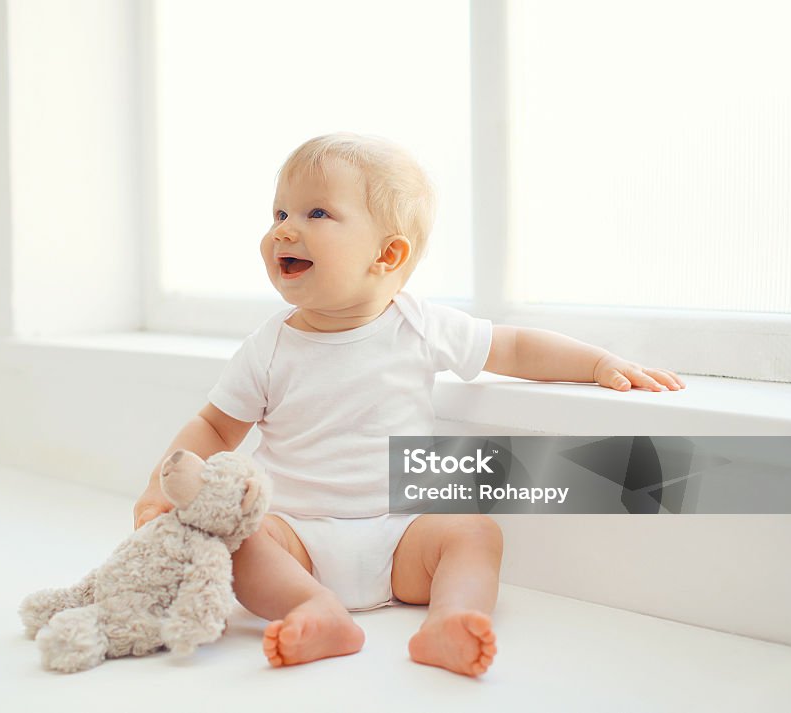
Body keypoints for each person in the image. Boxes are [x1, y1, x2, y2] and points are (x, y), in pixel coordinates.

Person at [133, 133, 686, 676]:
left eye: (316, 213)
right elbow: (213, 427)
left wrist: (596, 363)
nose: (284, 230)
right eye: (279, 213)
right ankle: (313, 610)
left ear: (387, 253)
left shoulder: (419, 325)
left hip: (403, 534)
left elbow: (512, 346)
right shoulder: (269, 347)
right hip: (294, 538)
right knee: (234, 536)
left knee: (473, 532)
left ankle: (452, 619)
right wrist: (162, 485)